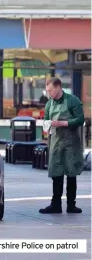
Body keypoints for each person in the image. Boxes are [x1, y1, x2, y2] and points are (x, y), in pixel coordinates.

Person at [39, 77, 85, 214]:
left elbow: (80, 119)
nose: (49, 94)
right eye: (47, 91)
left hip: (71, 143)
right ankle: (56, 205)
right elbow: (46, 120)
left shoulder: (73, 100)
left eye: (51, 90)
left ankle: (71, 205)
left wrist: (64, 123)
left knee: (71, 173)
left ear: (58, 87)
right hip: (56, 142)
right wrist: (47, 126)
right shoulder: (49, 104)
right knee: (56, 173)